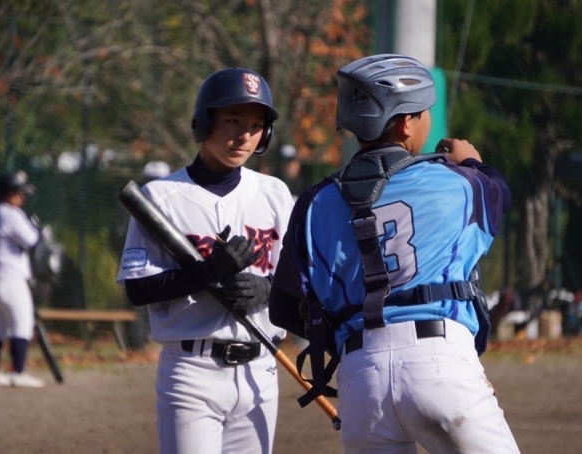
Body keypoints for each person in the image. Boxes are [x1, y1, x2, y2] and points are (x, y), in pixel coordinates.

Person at [268, 54, 520, 453]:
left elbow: (284, 308)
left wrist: (356, 347)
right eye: (423, 113)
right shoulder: (458, 182)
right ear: (405, 123)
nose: (428, 120)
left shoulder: (314, 202)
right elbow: (500, 193)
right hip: (440, 363)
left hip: (360, 378)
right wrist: (472, 159)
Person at [116, 68, 294, 454]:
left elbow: (299, 279)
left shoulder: (275, 194)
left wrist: (266, 288)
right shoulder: (161, 197)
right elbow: (138, 289)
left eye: (256, 125)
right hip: (192, 371)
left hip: (260, 369)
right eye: (233, 120)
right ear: (204, 122)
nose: (244, 135)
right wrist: (207, 272)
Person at [0, 170, 45, 388]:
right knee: (23, 325)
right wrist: (38, 230)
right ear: (9, 193)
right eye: (19, 193)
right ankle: (18, 373)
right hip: (9, 278)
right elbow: (32, 240)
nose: (23, 197)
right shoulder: (11, 213)